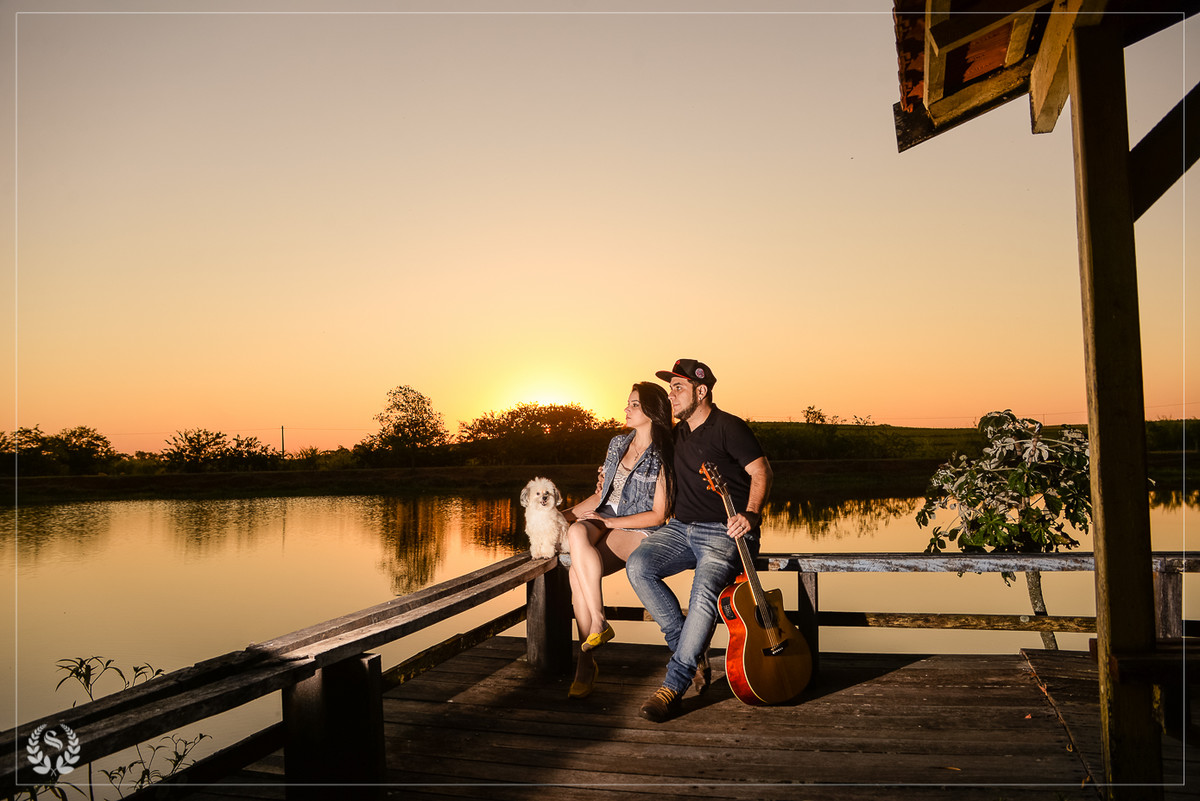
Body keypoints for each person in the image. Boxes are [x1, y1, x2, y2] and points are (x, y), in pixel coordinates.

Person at [626, 359, 773, 722]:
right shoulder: (676, 434)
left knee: (703, 591)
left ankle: (673, 684)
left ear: (701, 391)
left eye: (678, 388)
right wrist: (607, 479)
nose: (671, 396)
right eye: (670, 389)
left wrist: (751, 514)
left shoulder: (729, 427)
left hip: (724, 531)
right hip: (681, 528)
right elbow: (638, 457)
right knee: (639, 565)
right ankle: (687, 647)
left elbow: (761, 471)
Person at [560, 381, 676, 699]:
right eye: (628, 403)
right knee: (574, 531)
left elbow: (659, 514)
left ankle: (585, 665)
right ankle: (599, 621)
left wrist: (610, 522)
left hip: (637, 526)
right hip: (604, 516)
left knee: (576, 573)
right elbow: (602, 496)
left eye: (634, 404)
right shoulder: (616, 444)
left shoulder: (665, 453)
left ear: (652, 410)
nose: (626, 408)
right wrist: (562, 516)